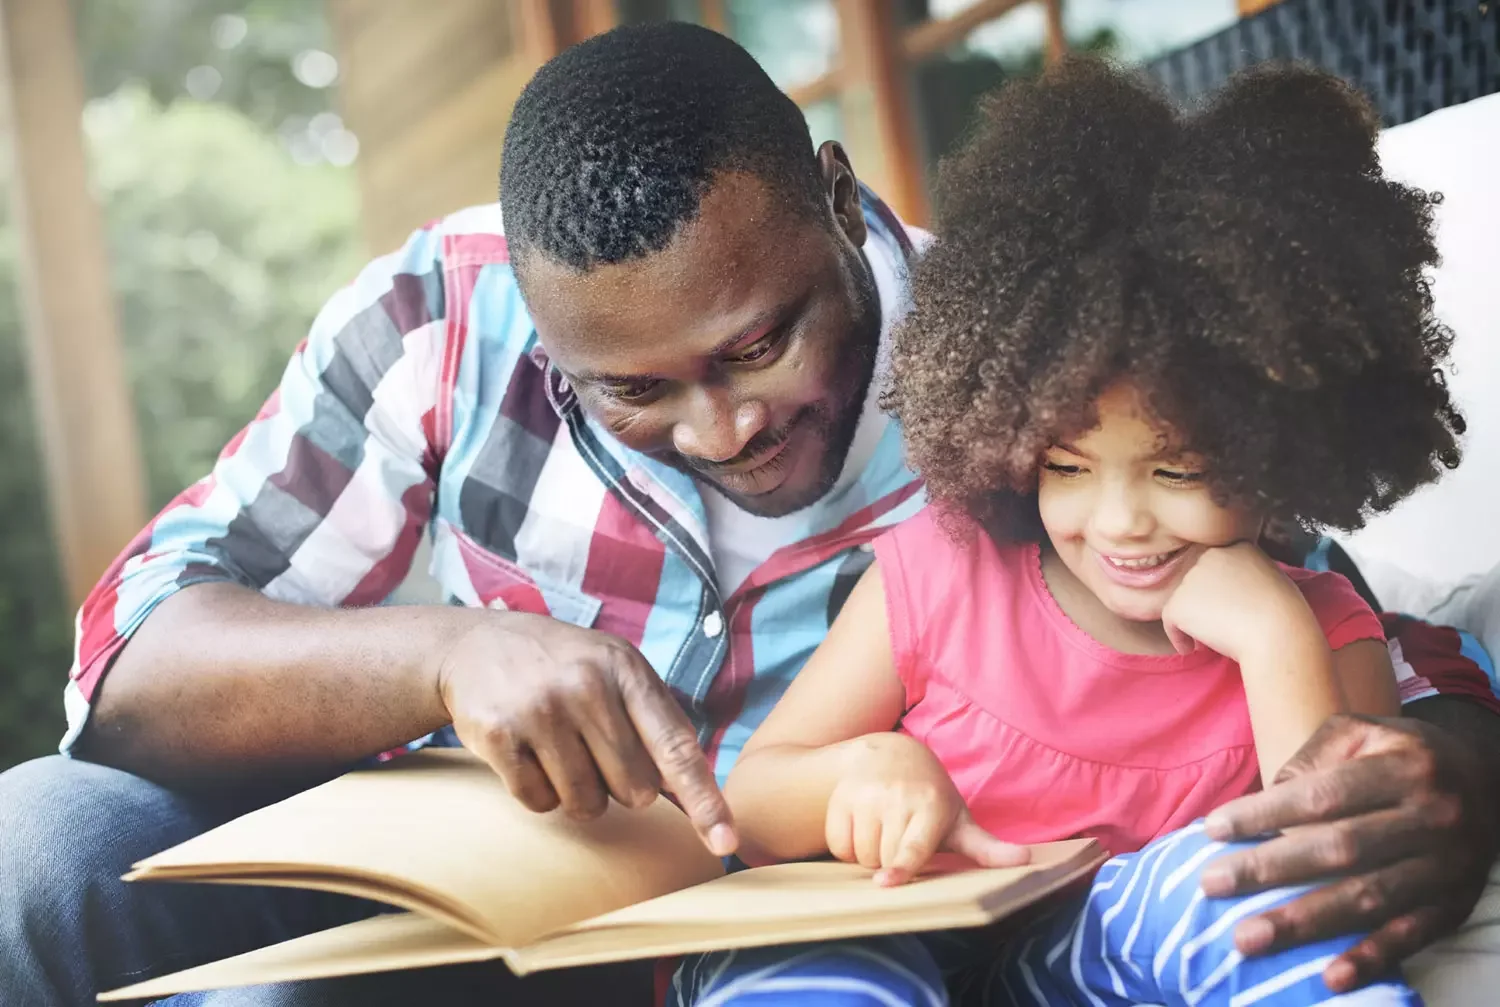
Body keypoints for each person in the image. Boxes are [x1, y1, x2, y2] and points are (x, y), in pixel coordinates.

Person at [0, 22, 1494, 1007]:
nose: (722, 426)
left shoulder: (1034, 364)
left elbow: (1348, 634)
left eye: (760, 344)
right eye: (631, 389)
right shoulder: (439, 318)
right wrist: (441, 655)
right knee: (38, 846)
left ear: (838, 203)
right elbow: (129, 665)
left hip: (774, 932)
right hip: (463, 884)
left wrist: (1447, 767)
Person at [672, 60, 1487, 1007]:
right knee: (787, 962)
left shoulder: (1321, 628)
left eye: (1177, 470)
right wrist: (866, 770)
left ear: (1286, 449)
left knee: (1229, 896)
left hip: (1096, 960)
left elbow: (1323, 876)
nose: (1120, 520)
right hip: (901, 933)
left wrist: (1273, 637)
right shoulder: (940, 574)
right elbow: (752, 806)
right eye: (1066, 465)